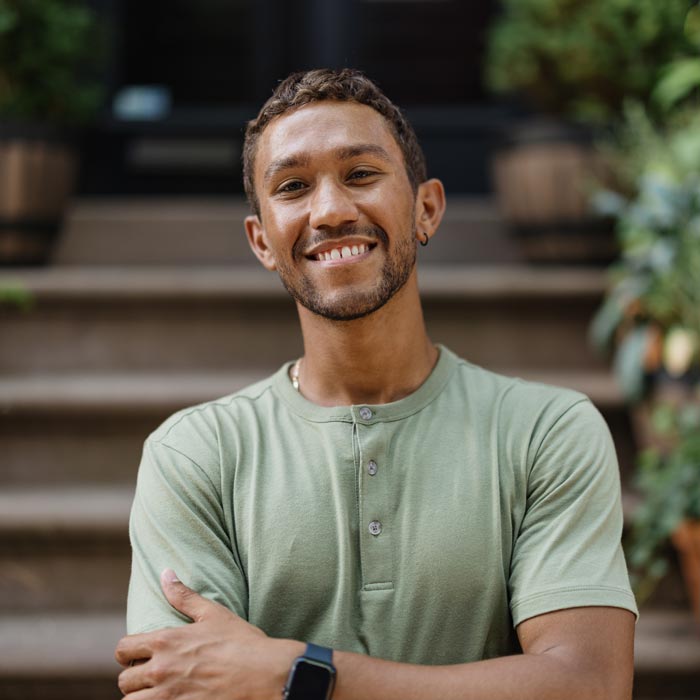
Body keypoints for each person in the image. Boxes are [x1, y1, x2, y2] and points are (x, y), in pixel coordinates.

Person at [115, 68, 638, 700]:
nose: (331, 210)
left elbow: (587, 685)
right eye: (293, 186)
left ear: (426, 208)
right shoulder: (194, 455)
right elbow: (182, 689)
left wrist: (293, 674)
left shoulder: (545, 432)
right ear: (262, 241)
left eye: (361, 174)